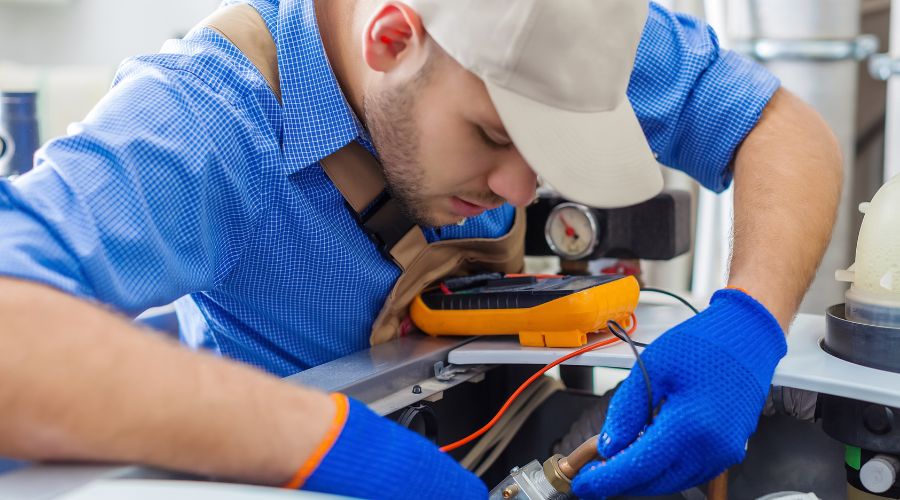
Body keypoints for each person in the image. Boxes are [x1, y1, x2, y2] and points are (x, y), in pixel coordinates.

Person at [0, 0, 842, 498]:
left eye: (542, 151)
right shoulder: (203, 120)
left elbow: (781, 126)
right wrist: (332, 442)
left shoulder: (558, 27)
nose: (520, 191)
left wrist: (747, 324)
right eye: (490, 134)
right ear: (392, 38)